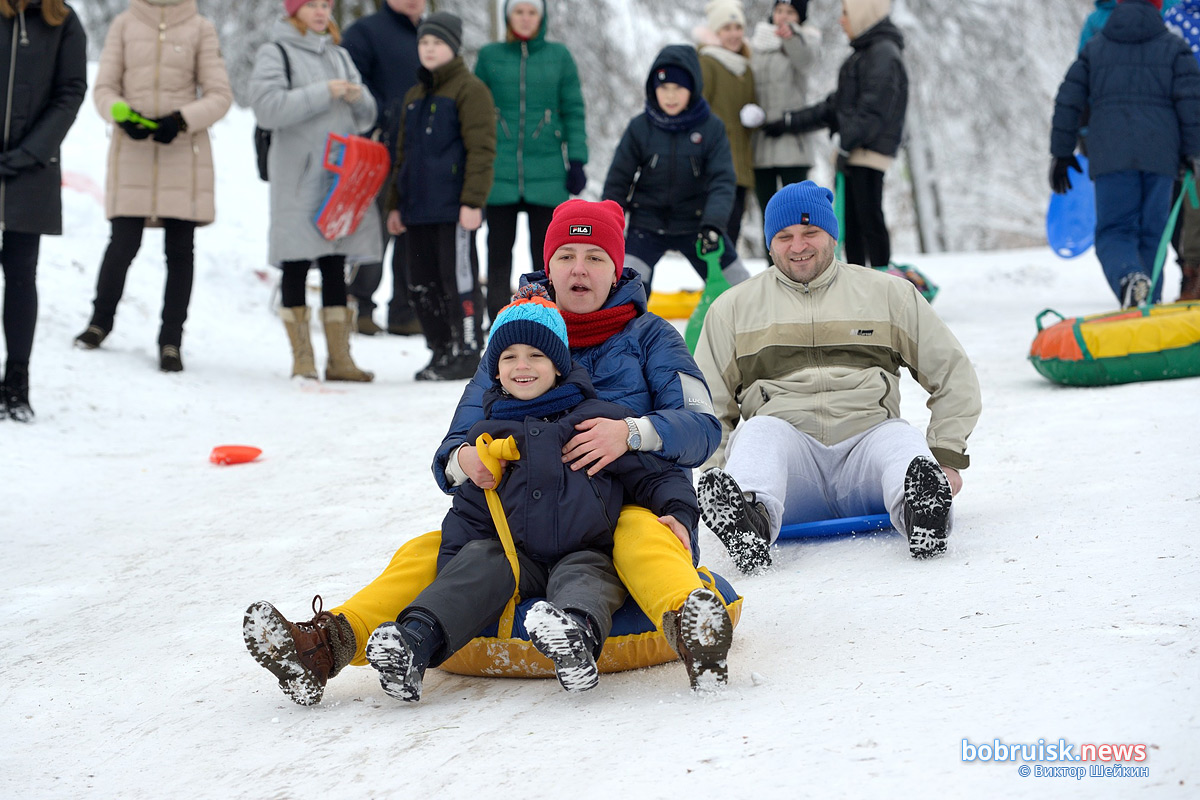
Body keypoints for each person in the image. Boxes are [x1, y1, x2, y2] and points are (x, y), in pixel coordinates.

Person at [242, 199, 735, 703]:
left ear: (616, 269)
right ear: (549, 266)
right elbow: (454, 446)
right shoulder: (514, 337)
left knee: (637, 532)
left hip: (616, 510)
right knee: (428, 553)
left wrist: (631, 432)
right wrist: (465, 463)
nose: (580, 269)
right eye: (566, 255)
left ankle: (693, 627)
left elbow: (702, 427)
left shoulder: (652, 337)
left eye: (594, 256)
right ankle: (323, 646)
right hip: (517, 526)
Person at [358, 289, 701, 701]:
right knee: (480, 561)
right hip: (514, 557)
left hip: (588, 547)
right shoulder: (485, 437)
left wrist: (679, 511)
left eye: (536, 356)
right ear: (497, 371)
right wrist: (455, 567)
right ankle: (414, 644)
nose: (522, 366)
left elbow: (655, 475)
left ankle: (573, 639)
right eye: (509, 357)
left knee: (585, 575)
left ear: (558, 366)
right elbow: (468, 512)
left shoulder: (597, 421)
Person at [693, 181, 981, 573]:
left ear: (832, 234)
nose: (798, 246)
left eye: (810, 232)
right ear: (769, 242)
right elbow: (707, 403)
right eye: (784, 236)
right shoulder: (733, 309)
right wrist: (718, 472)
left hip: (868, 456)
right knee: (758, 432)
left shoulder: (889, 295)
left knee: (899, 435)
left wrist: (946, 457)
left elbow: (953, 372)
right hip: (790, 475)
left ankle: (922, 514)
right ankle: (749, 521)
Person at [72, 0, 232, 373]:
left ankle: (171, 341)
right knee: (122, 242)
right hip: (133, 151)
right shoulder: (124, 24)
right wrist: (120, 114)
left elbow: (220, 95)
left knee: (180, 251)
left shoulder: (201, 27)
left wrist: (181, 120)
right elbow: (104, 88)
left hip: (182, 152)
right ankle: (100, 322)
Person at [249, 0, 378, 382]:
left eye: (326, 4)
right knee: (295, 260)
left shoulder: (339, 55)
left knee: (336, 261)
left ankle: (340, 359)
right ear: (293, 10)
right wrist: (324, 92)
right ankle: (302, 359)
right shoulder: (276, 52)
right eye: (312, 4)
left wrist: (360, 98)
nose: (322, 11)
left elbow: (367, 117)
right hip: (297, 178)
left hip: (339, 179)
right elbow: (267, 110)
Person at [1050, 0, 1200, 308]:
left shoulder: (1096, 47)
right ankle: (1147, 303)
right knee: (1152, 236)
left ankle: (1132, 283)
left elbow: (1069, 98)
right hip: (1161, 158)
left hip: (1111, 157)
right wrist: (1192, 154)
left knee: (1114, 233)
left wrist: (1061, 153)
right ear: (1158, 6)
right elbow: (1191, 104)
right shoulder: (1175, 48)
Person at [385, 12, 496, 381]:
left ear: (453, 47)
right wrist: (395, 204)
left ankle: (466, 350)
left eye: (438, 43)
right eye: (424, 42)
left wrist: (473, 201)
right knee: (421, 285)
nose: (429, 49)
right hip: (416, 211)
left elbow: (481, 150)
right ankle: (440, 350)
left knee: (458, 281)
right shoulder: (414, 96)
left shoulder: (470, 89)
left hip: (454, 210)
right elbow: (402, 155)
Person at [763, 0, 908, 269]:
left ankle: (880, 280)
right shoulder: (864, 54)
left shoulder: (882, 54)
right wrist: (788, 121)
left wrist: (845, 144)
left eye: (846, 14)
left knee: (868, 220)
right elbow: (834, 107)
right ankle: (856, 282)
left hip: (867, 150)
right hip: (856, 150)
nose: (841, 21)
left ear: (863, 14)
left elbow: (874, 110)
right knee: (852, 224)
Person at [475, 0, 588, 327]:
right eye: (518, 12)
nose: (525, 18)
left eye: (531, 12)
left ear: (542, 17)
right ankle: (498, 320)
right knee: (498, 252)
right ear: (508, 16)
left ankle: (547, 317)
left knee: (548, 255)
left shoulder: (559, 56)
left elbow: (574, 109)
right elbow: (475, 112)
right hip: (500, 171)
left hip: (548, 171)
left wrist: (577, 158)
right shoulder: (489, 56)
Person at [601, 45, 750, 292]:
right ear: (653, 89)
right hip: (646, 225)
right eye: (664, 88)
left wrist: (713, 224)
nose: (670, 96)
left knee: (741, 287)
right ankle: (629, 330)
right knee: (623, 289)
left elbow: (722, 180)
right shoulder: (640, 127)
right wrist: (609, 223)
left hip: (698, 224)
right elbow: (618, 179)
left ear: (692, 89)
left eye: (678, 88)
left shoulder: (711, 128)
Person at [0, 0, 86, 422]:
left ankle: (16, 383)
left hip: (31, 170)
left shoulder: (63, 21)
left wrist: (32, 152)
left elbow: (70, 91)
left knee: (20, 276)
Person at [340, 0, 424, 336]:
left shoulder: (430, 35)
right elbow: (350, 85)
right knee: (374, 230)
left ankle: (404, 312)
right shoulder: (365, 32)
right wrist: (383, 113)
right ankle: (361, 304)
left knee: (412, 232)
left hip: (422, 152)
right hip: (379, 150)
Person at [748, 1, 820, 219]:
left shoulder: (806, 41)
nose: (783, 16)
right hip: (761, 143)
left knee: (797, 215)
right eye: (779, 11)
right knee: (768, 216)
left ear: (800, 17)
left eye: (790, 12)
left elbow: (806, 62)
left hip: (793, 144)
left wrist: (792, 38)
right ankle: (768, 255)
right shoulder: (757, 44)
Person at [697, 0, 760, 250]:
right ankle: (713, 281)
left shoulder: (746, 68)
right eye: (727, 28)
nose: (734, 34)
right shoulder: (707, 63)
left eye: (738, 27)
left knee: (733, 227)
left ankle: (727, 283)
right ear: (716, 32)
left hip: (742, 163)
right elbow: (698, 109)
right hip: (716, 162)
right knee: (716, 228)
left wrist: (755, 116)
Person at [1166, 0, 1200, 300]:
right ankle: (1191, 273)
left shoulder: (1173, 19)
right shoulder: (1175, 19)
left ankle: (1191, 273)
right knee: (1191, 204)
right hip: (1187, 127)